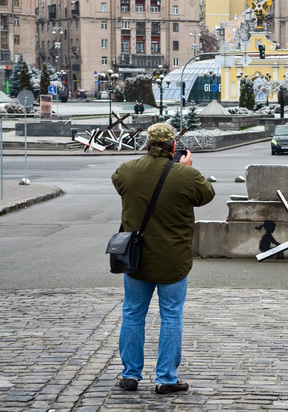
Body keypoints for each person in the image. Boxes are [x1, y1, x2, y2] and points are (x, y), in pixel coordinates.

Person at [111, 123, 215, 394]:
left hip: (136, 259)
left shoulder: (127, 170)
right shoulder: (186, 175)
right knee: (171, 316)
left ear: (146, 145)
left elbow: (119, 183)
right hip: (173, 260)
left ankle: (130, 375)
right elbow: (206, 195)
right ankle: (166, 379)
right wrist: (188, 169)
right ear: (172, 147)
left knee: (133, 313)